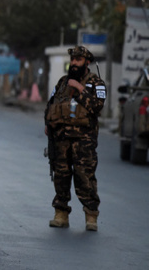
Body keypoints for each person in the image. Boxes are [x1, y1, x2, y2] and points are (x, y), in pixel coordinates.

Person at [44, 46, 106, 231]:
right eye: (72, 60)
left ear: (87, 62)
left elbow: (97, 107)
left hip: (83, 140)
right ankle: (61, 214)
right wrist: (48, 123)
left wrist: (79, 89)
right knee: (61, 177)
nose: (74, 63)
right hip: (61, 139)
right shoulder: (63, 82)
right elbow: (51, 103)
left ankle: (91, 216)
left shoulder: (97, 83)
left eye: (78, 60)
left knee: (84, 177)